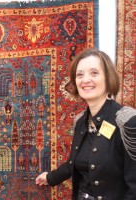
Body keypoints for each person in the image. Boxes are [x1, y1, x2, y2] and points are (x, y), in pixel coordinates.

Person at [36, 48, 136, 200]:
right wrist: (50, 178)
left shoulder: (127, 121)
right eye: (80, 75)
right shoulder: (80, 121)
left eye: (94, 73)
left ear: (108, 78)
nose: (85, 80)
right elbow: (72, 163)